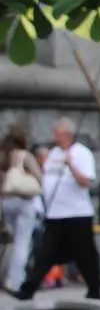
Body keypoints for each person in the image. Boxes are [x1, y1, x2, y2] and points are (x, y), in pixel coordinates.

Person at [16, 118, 100, 301]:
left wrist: (71, 166)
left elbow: (86, 182)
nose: (55, 137)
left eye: (58, 133)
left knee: (85, 254)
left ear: (67, 135)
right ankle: (28, 289)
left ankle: (94, 289)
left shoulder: (81, 153)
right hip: (55, 214)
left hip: (77, 214)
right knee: (45, 253)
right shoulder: (54, 153)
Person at [1, 125, 43, 295]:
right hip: (24, 201)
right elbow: (40, 177)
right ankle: (15, 281)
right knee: (22, 242)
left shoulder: (2, 156)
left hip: (6, 202)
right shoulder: (24, 156)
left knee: (10, 241)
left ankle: (7, 275)